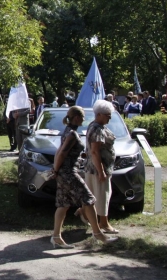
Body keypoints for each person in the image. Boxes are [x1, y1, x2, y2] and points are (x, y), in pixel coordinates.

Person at [50, 106, 117, 248]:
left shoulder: (67, 131)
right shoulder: (72, 134)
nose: (84, 119)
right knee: (89, 199)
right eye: (82, 117)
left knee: (63, 204)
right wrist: (55, 169)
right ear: (76, 118)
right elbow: (61, 153)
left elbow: (60, 151)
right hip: (69, 173)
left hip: (63, 172)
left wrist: (56, 170)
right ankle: (98, 234)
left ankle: (56, 237)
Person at [85, 100, 120, 234]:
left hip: (94, 168)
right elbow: (95, 151)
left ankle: (83, 212)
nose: (109, 118)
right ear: (99, 114)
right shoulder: (97, 129)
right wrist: (101, 172)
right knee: (102, 196)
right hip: (97, 169)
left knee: (96, 195)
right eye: (107, 115)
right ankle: (104, 223)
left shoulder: (95, 126)